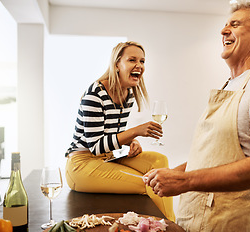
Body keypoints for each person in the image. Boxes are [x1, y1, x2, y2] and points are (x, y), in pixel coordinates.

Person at [144, 1, 250, 231]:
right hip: (195, 217)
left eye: (234, 24)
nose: (223, 31)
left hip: (230, 221)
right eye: (225, 25)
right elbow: (214, 157)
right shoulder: (231, 84)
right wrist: (173, 173)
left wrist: (184, 181)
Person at [65, 41, 175, 221]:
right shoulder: (95, 94)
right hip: (81, 164)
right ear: (117, 64)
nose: (139, 65)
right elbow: (96, 146)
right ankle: (169, 226)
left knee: (159, 160)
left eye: (142, 61)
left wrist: (132, 142)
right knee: (151, 183)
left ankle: (167, 224)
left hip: (107, 158)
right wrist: (135, 132)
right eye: (132, 60)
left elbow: (111, 136)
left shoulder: (128, 94)